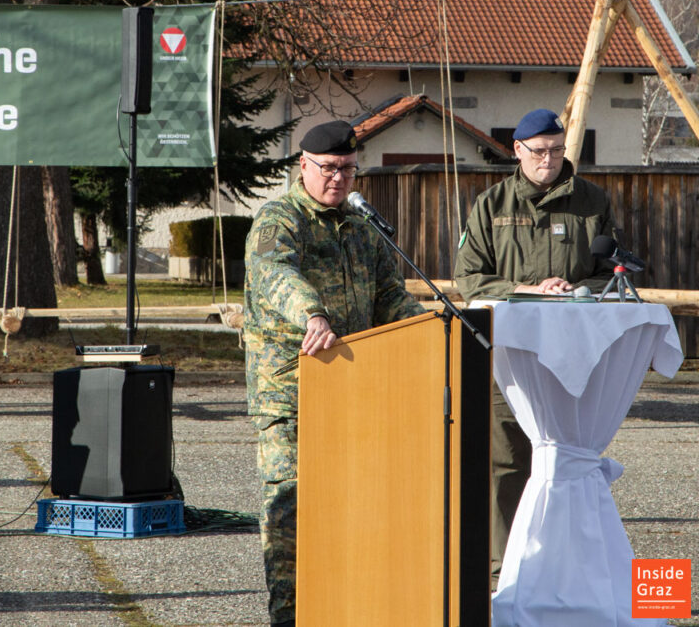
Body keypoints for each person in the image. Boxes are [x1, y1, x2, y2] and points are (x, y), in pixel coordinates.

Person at [244, 120, 425, 626]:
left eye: (348, 169)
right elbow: (276, 275)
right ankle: (290, 615)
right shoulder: (278, 219)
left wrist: (433, 327)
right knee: (291, 508)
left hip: (354, 389)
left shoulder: (362, 226)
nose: (338, 179)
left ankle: (344, 607)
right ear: (304, 166)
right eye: (328, 168)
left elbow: (389, 295)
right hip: (289, 393)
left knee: (353, 506)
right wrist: (312, 313)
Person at [453, 107, 618, 590]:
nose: (549, 159)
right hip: (511, 357)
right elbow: (469, 277)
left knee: (573, 461)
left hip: (574, 359)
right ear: (517, 151)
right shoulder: (491, 204)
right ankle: (504, 574)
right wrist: (527, 291)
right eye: (538, 151)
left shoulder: (593, 201)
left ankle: (572, 572)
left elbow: (612, 271)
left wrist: (576, 289)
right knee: (506, 463)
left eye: (556, 149)